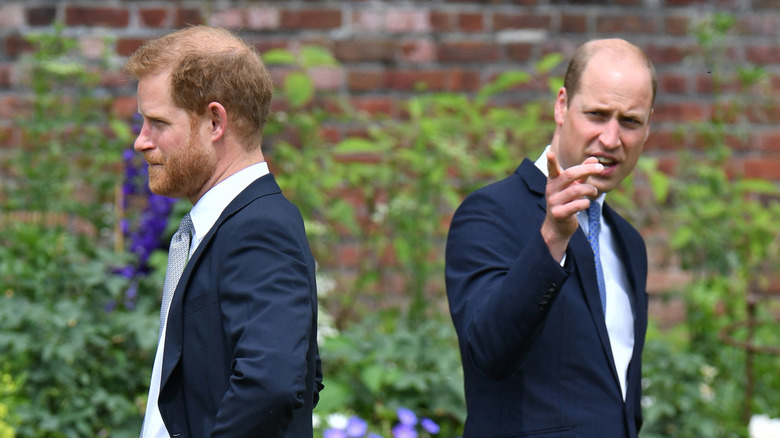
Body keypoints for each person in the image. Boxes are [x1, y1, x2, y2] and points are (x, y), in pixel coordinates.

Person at [445, 38, 655, 437]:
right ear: (562, 106)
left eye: (629, 121)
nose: (611, 139)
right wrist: (551, 239)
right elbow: (488, 353)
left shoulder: (629, 243)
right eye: (597, 114)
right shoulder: (490, 213)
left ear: (648, 128)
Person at [126, 25, 322, 437]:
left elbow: (271, 386)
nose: (141, 142)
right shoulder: (227, 226)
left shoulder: (260, 229)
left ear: (215, 121)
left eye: (157, 122)